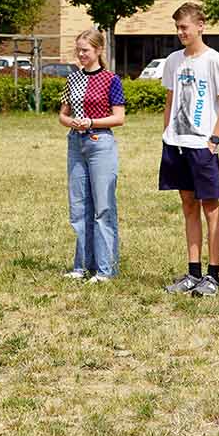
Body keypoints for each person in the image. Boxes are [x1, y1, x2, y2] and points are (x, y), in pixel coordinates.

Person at [160, 3, 219, 297]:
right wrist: (167, 134)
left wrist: (214, 139)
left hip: (202, 146)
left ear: (200, 25)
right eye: (177, 28)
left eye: (184, 27)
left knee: (210, 208)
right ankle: (193, 272)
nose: (180, 33)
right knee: (188, 206)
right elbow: (170, 99)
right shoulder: (173, 61)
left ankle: (213, 276)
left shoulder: (214, 60)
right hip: (176, 145)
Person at [59, 27, 126, 285]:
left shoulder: (111, 80)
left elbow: (119, 117)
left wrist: (91, 122)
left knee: (103, 207)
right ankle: (82, 265)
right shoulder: (73, 79)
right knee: (79, 207)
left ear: (98, 50)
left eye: (85, 50)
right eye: (78, 50)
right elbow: (63, 114)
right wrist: (72, 123)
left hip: (100, 144)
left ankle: (105, 268)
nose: (80, 54)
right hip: (76, 143)